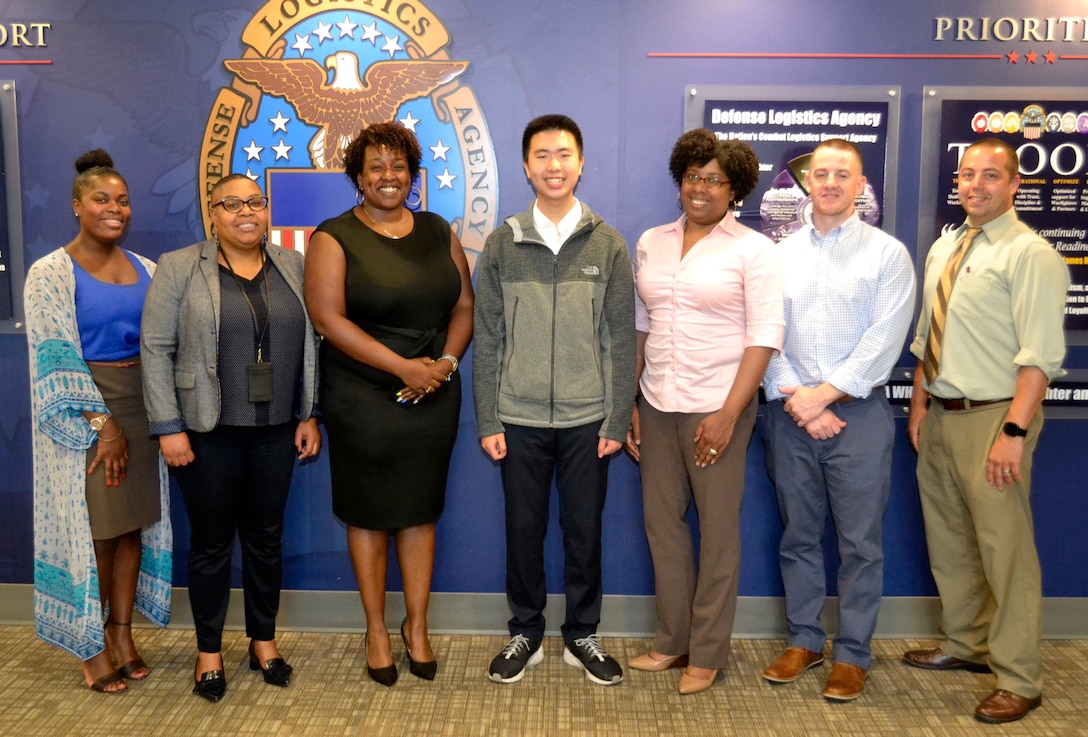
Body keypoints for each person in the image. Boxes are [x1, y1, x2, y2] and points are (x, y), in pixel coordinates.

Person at [903, 138, 1068, 724]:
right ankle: (966, 645)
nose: (975, 184)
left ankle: (1021, 678)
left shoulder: (1030, 254)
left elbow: (1039, 358)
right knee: (950, 541)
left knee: (1006, 552)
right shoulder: (946, 245)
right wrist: (919, 407)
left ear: (1015, 184)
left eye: (990, 175)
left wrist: (1014, 433)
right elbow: (927, 337)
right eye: (968, 173)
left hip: (996, 417)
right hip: (943, 415)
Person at [304, 122, 474, 687]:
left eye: (399, 166)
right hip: (362, 394)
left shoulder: (437, 230)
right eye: (375, 166)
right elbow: (327, 318)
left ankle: (416, 626)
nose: (388, 176)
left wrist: (443, 366)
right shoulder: (332, 236)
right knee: (369, 514)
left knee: (420, 512)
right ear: (357, 175)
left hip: (434, 389)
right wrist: (404, 368)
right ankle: (377, 629)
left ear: (413, 175)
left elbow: (463, 307)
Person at [141, 174, 321, 702]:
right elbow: (155, 348)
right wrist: (168, 427)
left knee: (266, 542)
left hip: (276, 432)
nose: (247, 212)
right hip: (206, 432)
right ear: (212, 214)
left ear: (267, 211)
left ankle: (263, 641)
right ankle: (209, 651)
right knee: (212, 545)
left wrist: (309, 414)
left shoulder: (293, 265)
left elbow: (313, 344)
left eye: (256, 202)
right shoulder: (179, 267)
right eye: (232, 204)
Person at [475, 114, 636, 687]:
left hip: (588, 419)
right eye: (542, 155)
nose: (553, 165)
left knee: (583, 531)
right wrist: (488, 417)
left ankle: (582, 634)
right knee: (522, 529)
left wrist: (617, 416)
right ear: (526, 166)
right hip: (516, 418)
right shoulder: (502, 243)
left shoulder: (609, 244)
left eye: (564, 154)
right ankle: (525, 630)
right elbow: (488, 336)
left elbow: (620, 339)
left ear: (581, 162)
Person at [624, 128, 783, 695]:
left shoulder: (754, 250)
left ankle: (708, 652)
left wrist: (729, 413)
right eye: (693, 176)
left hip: (718, 407)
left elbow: (764, 337)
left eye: (714, 179)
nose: (701, 187)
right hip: (658, 404)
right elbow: (644, 324)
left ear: (734, 188)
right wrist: (632, 401)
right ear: (680, 179)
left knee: (717, 534)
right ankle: (673, 641)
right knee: (662, 528)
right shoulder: (651, 241)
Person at [759, 139, 915, 701]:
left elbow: (885, 339)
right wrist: (798, 399)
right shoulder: (776, 254)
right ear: (807, 182)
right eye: (820, 173)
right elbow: (763, 334)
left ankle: (852, 653)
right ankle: (805, 639)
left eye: (841, 174)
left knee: (860, 543)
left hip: (860, 417)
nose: (829, 182)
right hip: (789, 415)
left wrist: (823, 397)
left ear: (860, 183)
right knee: (798, 535)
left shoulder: (887, 255)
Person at [25, 149, 171, 694]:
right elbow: (55, 351)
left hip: (142, 401)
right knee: (99, 533)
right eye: (102, 199)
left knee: (133, 525)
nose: (116, 209)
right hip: (88, 408)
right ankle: (91, 648)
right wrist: (101, 424)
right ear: (76, 206)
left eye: (123, 200)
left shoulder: (147, 268)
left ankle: (122, 634)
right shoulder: (50, 272)